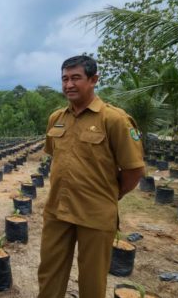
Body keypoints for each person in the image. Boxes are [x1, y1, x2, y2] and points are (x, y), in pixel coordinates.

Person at [37, 56, 145, 298]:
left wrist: (110, 195)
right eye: (65, 79)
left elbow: (134, 169)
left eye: (76, 78)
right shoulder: (57, 118)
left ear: (93, 80)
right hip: (57, 211)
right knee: (48, 275)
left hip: (95, 215)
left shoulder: (114, 119)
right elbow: (54, 155)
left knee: (92, 282)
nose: (69, 85)